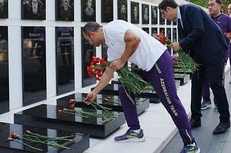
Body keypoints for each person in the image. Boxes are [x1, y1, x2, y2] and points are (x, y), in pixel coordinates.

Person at [83, 20, 200, 153]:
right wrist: (95, 92)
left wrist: (122, 61)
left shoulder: (112, 29)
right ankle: (135, 130)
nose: (90, 44)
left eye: (88, 40)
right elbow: (109, 72)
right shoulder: (111, 46)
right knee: (125, 91)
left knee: (171, 102)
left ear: (92, 34)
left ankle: (190, 144)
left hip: (158, 62)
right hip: (147, 67)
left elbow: (135, 39)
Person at [158, 0, 231, 135]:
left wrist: (180, 44)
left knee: (216, 85)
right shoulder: (180, 20)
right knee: (196, 84)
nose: (164, 17)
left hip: (214, 51)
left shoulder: (190, 10)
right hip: (199, 55)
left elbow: (199, 31)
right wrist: (180, 55)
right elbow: (189, 41)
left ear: (169, 9)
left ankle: (225, 120)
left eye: (163, 13)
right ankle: (196, 118)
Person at [201, 0, 231, 111]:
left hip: (221, 54)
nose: (210, 7)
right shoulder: (205, 18)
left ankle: (218, 102)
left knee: (217, 79)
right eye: (209, 5)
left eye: (212, 5)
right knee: (204, 78)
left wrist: (222, 36)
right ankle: (206, 100)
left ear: (219, 6)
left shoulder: (227, 20)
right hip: (206, 53)